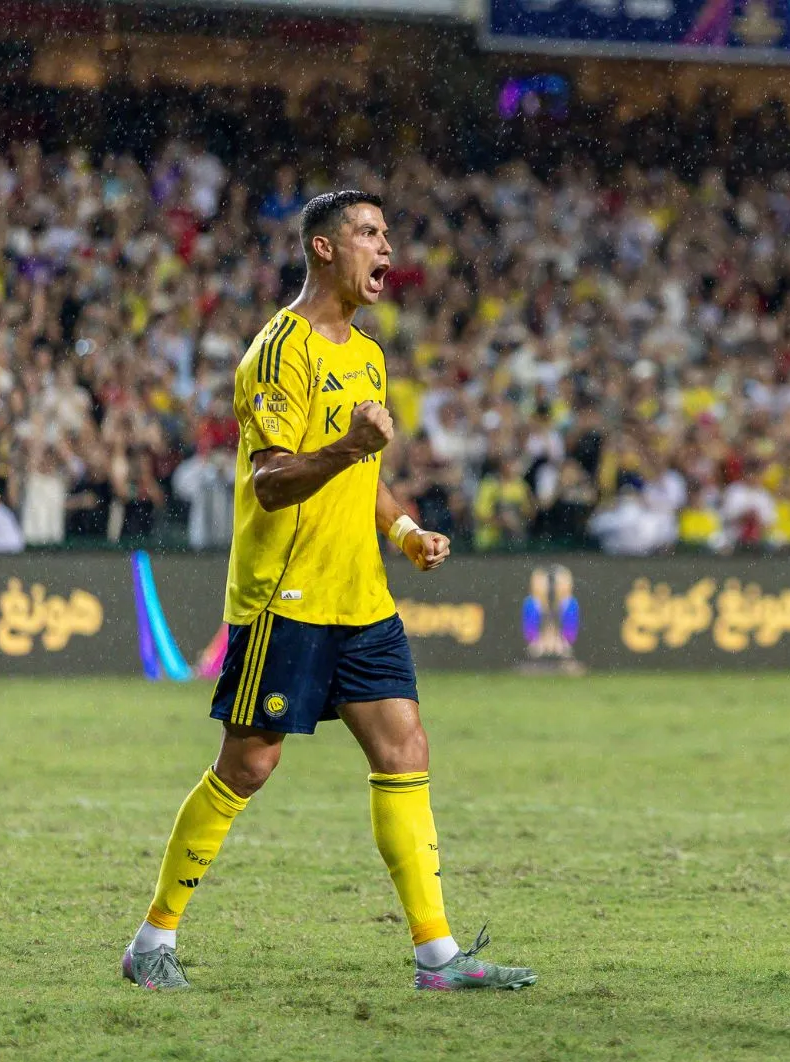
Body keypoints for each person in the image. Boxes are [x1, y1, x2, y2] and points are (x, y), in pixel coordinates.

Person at [122, 191, 535, 993]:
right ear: (322, 249)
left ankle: (437, 957)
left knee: (404, 748)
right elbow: (272, 481)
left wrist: (406, 529)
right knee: (247, 767)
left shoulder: (369, 355)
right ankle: (151, 942)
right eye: (368, 233)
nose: (386, 248)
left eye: (388, 233)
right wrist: (350, 444)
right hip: (287, 598)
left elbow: (365, 478)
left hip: (362, 599)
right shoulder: (281, 350)